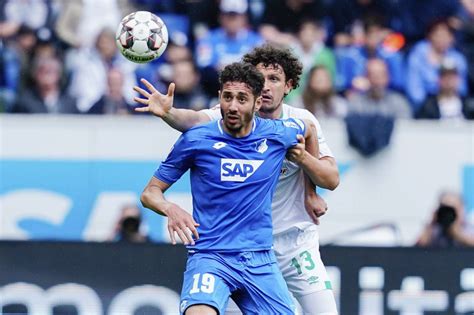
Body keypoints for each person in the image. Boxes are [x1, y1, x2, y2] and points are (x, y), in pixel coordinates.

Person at [134, 45, 340, 314]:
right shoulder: (208, 127)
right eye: (228, 97)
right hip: (216, 252)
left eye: (273, 79)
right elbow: (192, 121)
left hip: (287, 244)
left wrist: (309, 189)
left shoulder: (287, 127)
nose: (265, 86)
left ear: (288, 86)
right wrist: (169, 113)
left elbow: (319, 150)